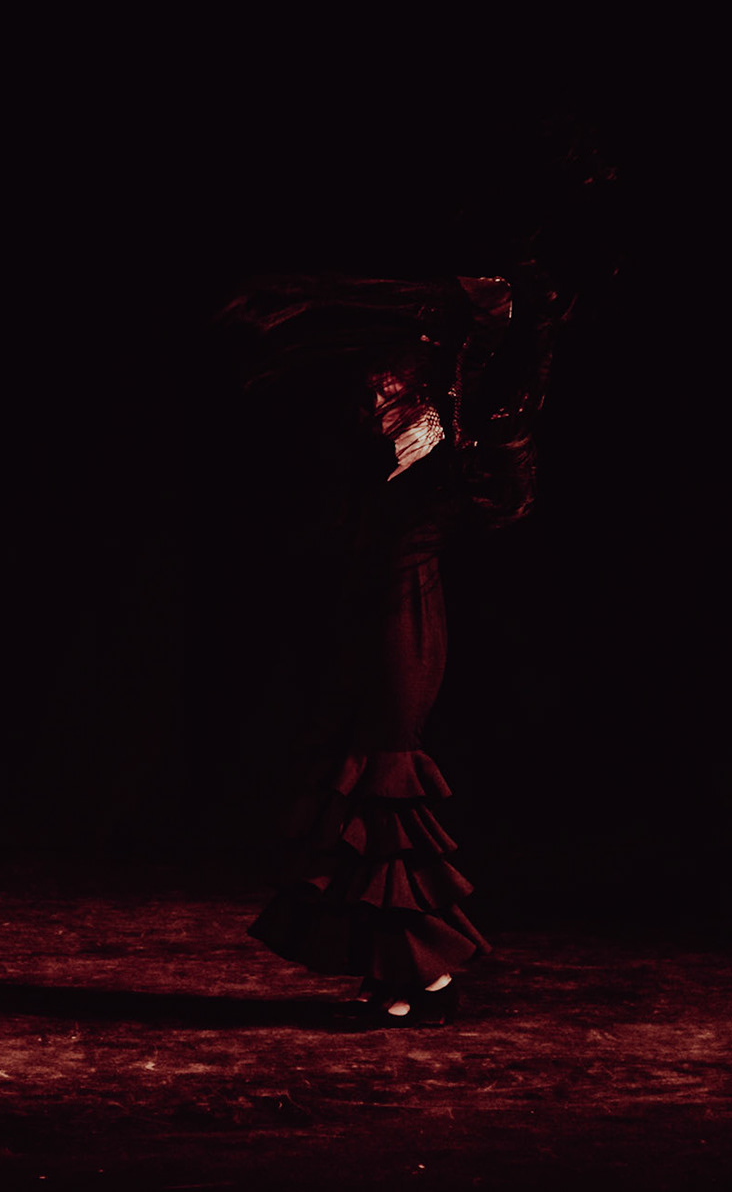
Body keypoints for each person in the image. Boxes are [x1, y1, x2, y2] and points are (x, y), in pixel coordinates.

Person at [229, 273, 553, 1025]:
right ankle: (393, 968)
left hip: (404, 627)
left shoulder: (440, 458)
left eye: (394, 386)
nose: (380, 395)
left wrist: (490, 327)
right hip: (367, 622)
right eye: (378, 386)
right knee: (357, 791)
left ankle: (426, 974)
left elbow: (490, 380)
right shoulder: (379, 463)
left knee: (386, 782)